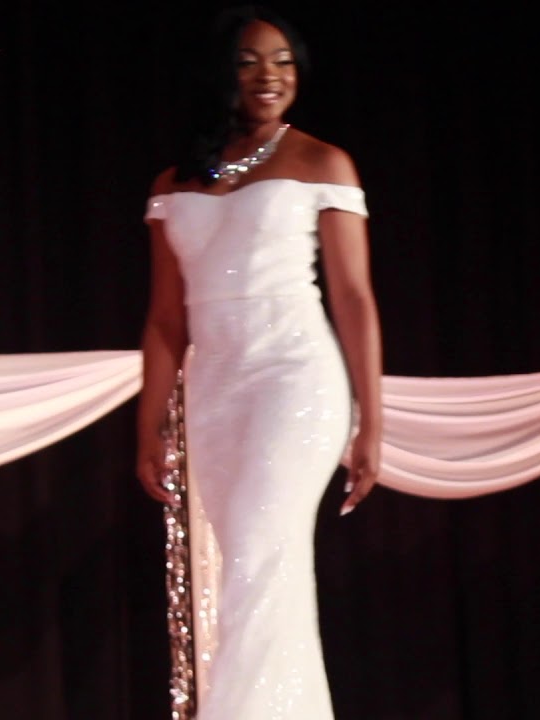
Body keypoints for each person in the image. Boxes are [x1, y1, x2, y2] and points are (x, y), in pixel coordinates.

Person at [133, 5, 383, 717]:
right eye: (249, 61)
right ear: (221, 73)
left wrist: (371, 421)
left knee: (259, 558)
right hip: (216, 390)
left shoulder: (322, 162)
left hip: (295, 378)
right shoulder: (173, 184)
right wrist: (150, 426)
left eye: (283, 60)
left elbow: (354, 298)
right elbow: (165, 319)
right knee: (255, 568)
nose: (269, 75)